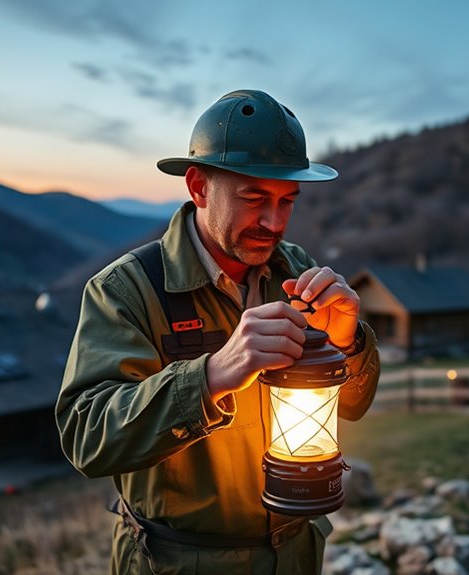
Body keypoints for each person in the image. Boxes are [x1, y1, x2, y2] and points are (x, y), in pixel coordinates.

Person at [56, 89, 380, 574]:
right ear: (199, 186)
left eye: (287, 201)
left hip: (294, 555)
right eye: (254, 199)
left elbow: (352, 403)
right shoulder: (126, 290)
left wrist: (348, 344)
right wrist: (208, 378)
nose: (273, 223)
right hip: (179, 561)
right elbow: (86, 434)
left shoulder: (298, 273)